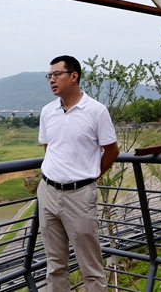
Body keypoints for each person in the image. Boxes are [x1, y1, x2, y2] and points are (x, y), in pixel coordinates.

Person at [37, 55, 120, 292]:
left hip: (80, 195)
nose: (52, 80)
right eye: (49, 75)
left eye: (57, 74)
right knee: (55, 264)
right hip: (48, 192)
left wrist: (90, 176)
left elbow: (112, 150)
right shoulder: (47, 111)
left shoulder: (96, 111)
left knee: (90, 265)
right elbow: (49, 148)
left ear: (74, 76)